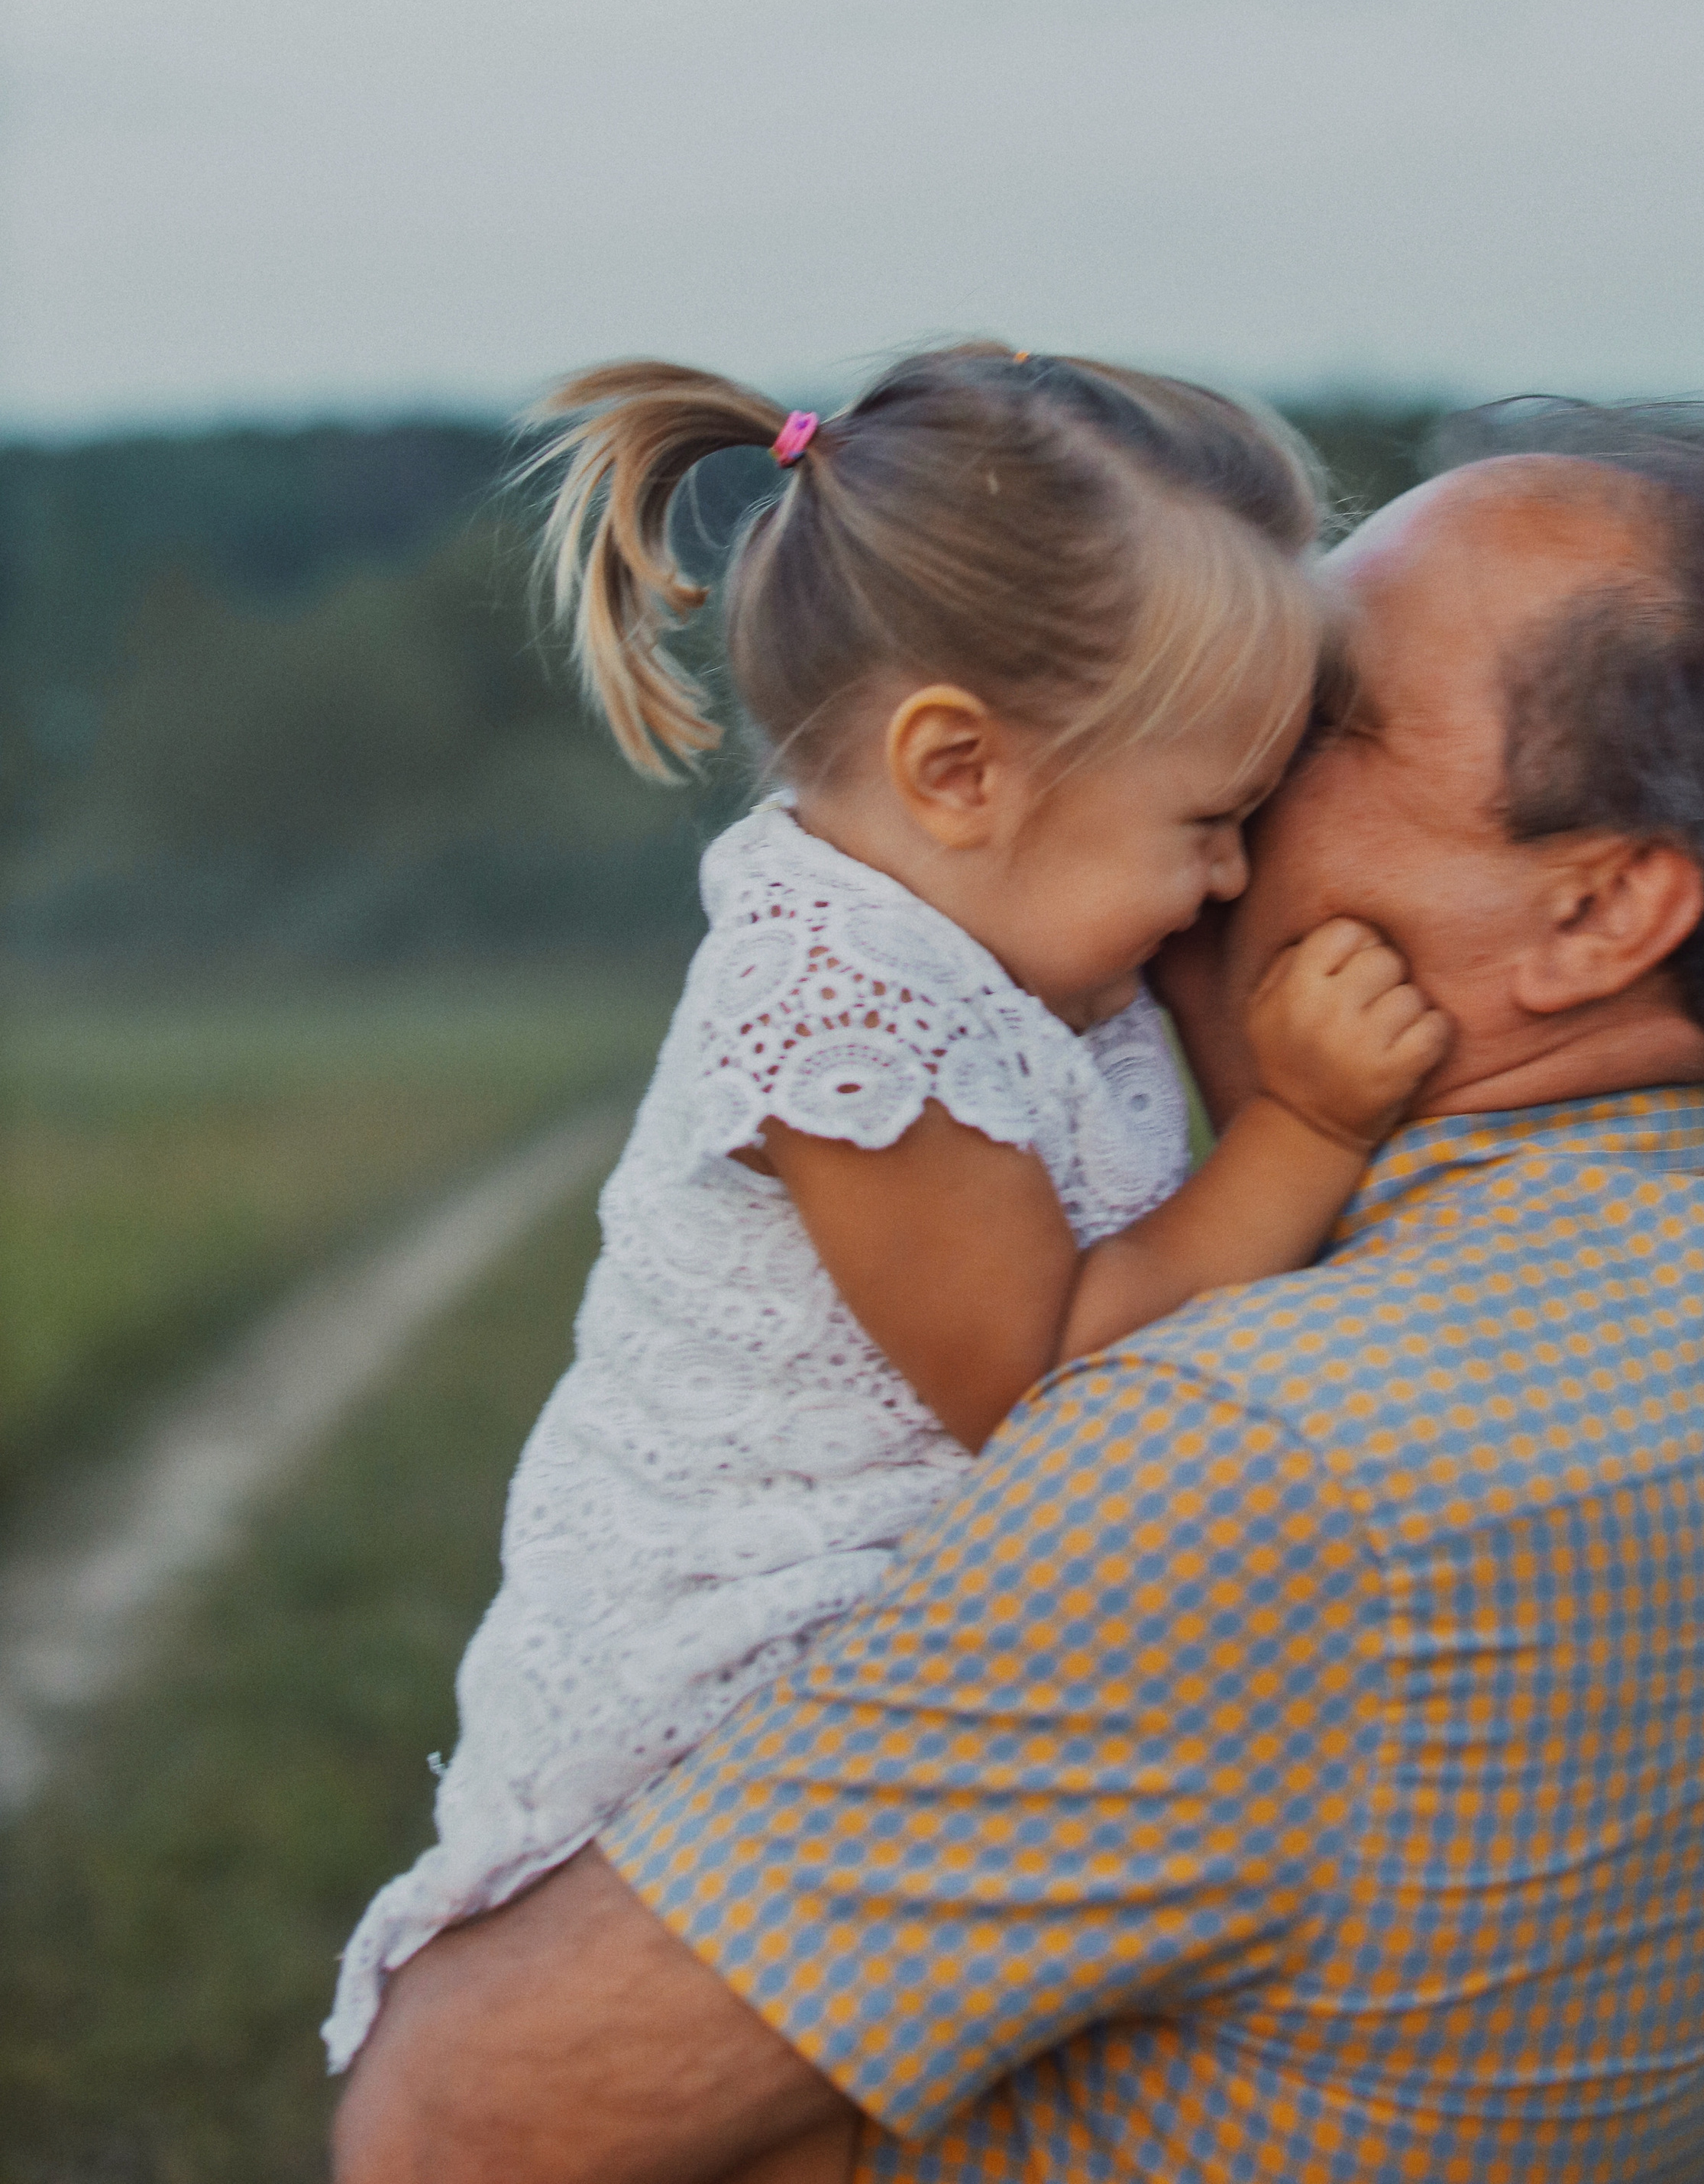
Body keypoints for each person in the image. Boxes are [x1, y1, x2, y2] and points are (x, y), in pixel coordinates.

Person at [335, 397, 1704, 2184]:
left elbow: (450, 2128)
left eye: (1321, 720)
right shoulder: (1671, 1225)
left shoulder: (1243, 1456)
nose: (1234, 771)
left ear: (1598, 917)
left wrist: (1302, 1118)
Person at [328, 344, 1463, 2065]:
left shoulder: (1025, 910)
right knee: (771, 2109)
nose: (1235, 878)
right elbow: (1045, 1384)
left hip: (914, 1612)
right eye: (1212, 822)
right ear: (958, 770)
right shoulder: (845, 1007)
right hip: (737, 1667)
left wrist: (1634, 1075)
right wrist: (1306, 1128)